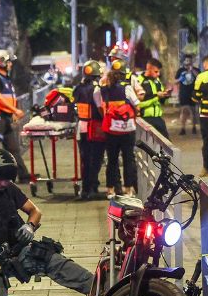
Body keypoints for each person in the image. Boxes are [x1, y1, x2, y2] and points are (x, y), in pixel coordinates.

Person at [0, 149, 93, 296]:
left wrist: (30, 226)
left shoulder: (9, 189)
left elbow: (35, 211)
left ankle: (101, 290)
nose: (5, 182)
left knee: (50, 257)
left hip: (17, 252)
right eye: (0, 178)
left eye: (8, 179)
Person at [0, 50, 31, 181]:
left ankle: (24, 175)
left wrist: (12, 112)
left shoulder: (6, 79)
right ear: (2, 62)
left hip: (6, 118)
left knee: (14, 148)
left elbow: (9, 98)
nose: (11, 64)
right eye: (9, 61)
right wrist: (15, 110)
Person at [96, 62, 139, 196]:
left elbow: (98, 105)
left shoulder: (102, 89)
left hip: (111, 130)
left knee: (112, 160)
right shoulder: (127, 88)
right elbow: (137, 105)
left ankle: (110, 189)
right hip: (127, 130)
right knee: (128, 159)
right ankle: (128, 189)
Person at [73, 60, 106, 201]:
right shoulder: (97, 89)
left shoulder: (78, 88)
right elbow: (100, 108)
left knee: (85, 160)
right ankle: (92, 189)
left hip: (82, 128)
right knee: (96, 160)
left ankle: (85, 189)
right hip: (95, 129)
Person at [135, 58, 171, 138]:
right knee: (147, 146)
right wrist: (156, 96)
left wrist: (165, 96)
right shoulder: (138, 81)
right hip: (145, 119)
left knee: (166, 147)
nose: (158, 74)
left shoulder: (157, 81)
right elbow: (138, 103)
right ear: (149, 68)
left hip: (158, 118)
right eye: (156, 71)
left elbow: (162, 101)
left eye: (159, 72)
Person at [176, 55, 200, 136]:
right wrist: (181, 78)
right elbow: (176, 81)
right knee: (184, 111)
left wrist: (192, 70)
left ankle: (194, 128)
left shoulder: (196, 70)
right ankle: (183, 128)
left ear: (192, 62)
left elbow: (199, 78)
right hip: (183, 93)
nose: (188, 62)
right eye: (186, 61)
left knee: (193, 111)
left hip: (193, 93)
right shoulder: (180, 70)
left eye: (189, 61)